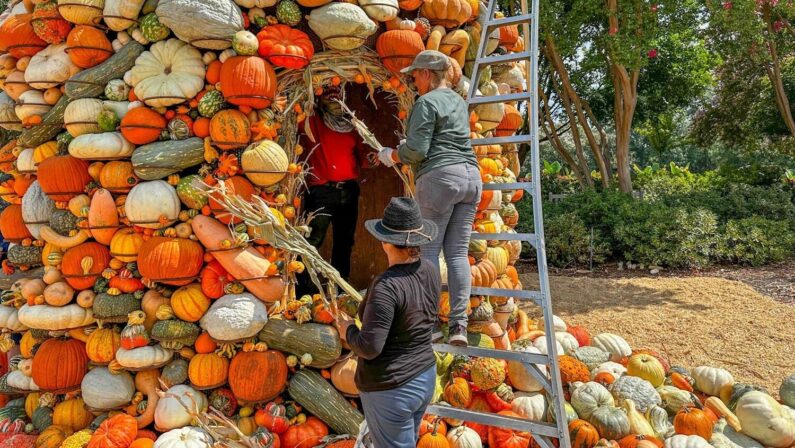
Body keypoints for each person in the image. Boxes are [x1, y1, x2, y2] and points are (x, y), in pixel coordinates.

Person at [378, 50, 481, 347]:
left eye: (415, 75)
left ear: (426, 74)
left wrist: (392, 155)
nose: (413, 80)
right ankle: (459, 325)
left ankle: (431, 324)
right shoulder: (459, 102)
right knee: (458, 254)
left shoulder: (426, 102)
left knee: (429, 252)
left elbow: (418, 151)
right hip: (471, 178)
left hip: (440, 178)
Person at [334, 197, 439, 448]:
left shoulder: (387, 286)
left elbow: (369, 347)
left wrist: (346, 329)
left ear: (384, 241)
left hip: (393, 388)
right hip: (424, 376)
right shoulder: (430, 269)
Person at [297, 86, 371, 294]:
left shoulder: (350, 125)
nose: (334, 99)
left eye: (337, 95)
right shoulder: (313, 122)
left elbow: (362, 156)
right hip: (322, 192)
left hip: (348, 190)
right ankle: (303, 289)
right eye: (328, 95)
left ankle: (340, 289)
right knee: (312, 240)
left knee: (345, 242)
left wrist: (371, 159)